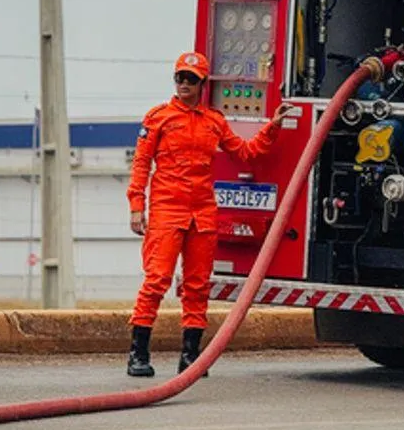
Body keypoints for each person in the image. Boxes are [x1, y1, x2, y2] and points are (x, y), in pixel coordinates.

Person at [125, 51, 292, 377]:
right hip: (166, 211)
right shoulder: (157, 117)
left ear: (202, 84)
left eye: (191, 79)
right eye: (180, 78)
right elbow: (141, 164)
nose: (184, 84)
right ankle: (137, 353)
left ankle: (190, 357)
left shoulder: (214, 121)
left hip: (202, 213)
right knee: (156, 281)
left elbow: (245, 152)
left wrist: (273, 126)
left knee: (198, 285)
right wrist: (136, 206)